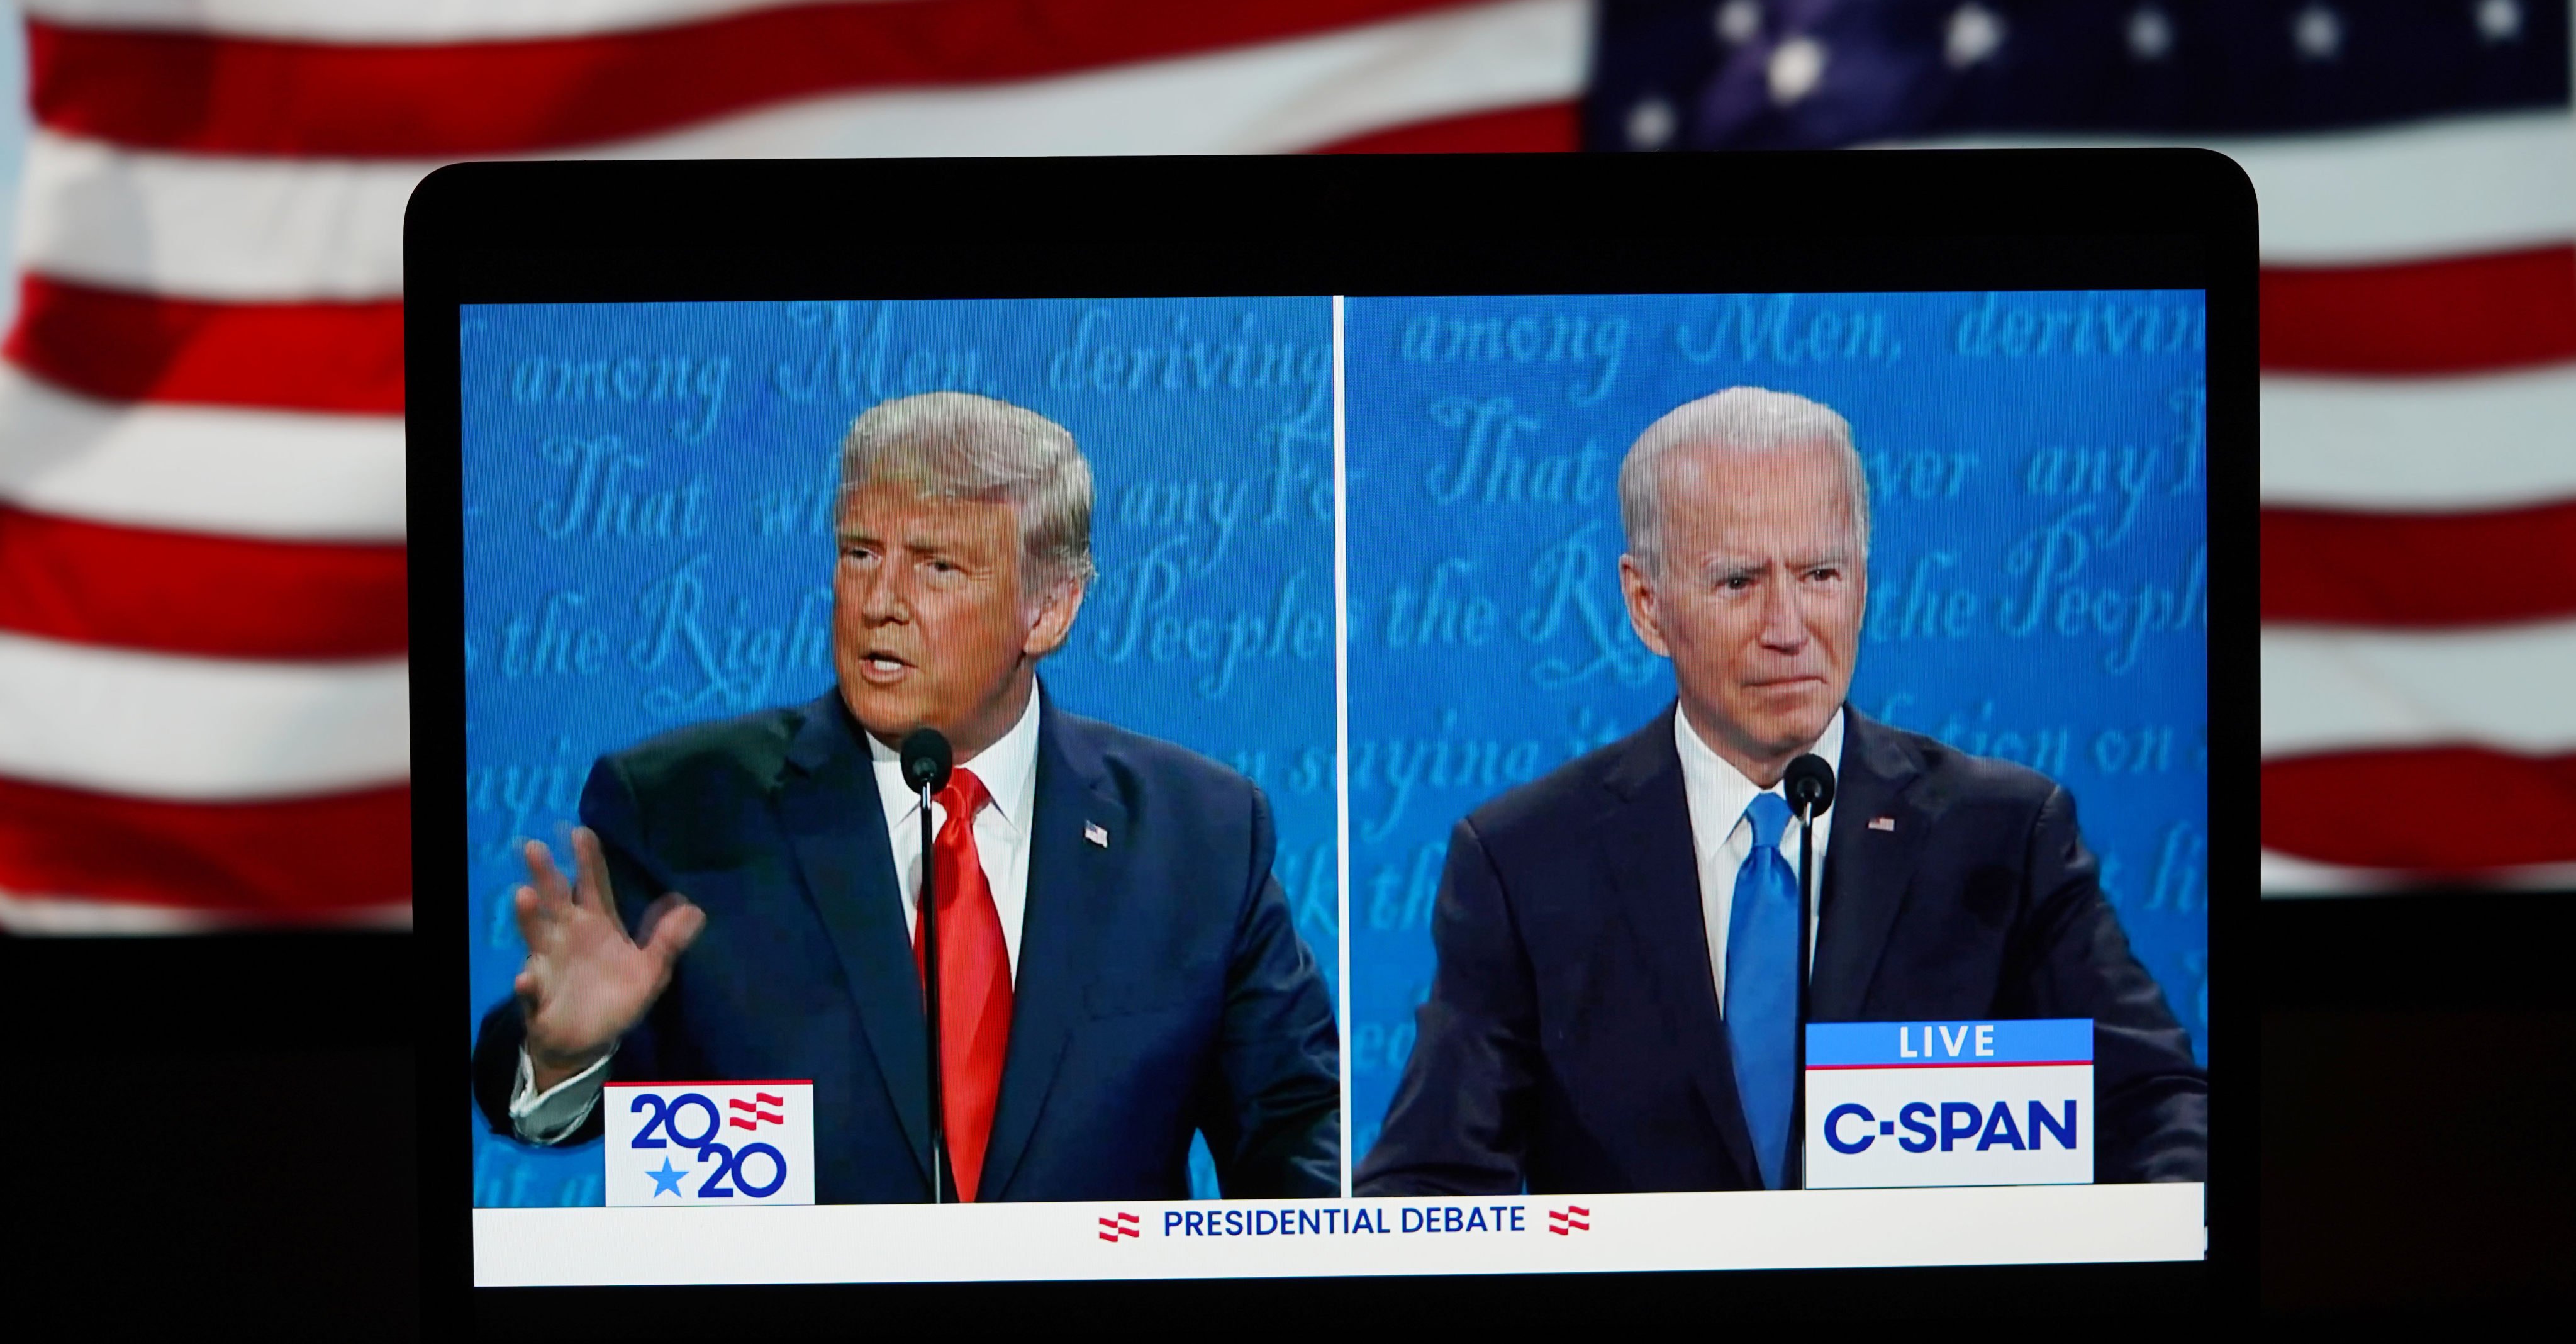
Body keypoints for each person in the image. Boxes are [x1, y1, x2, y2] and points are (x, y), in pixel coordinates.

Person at [471, 391, 1339, 1202]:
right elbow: (546, 1108)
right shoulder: (683, 809)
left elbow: (1295, 1130)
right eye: (860, 554)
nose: (880, 603)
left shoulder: (1199, 834)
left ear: (1049, 611)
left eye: (937, 565)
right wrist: (564, 1054)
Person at [1356, 386, 2206, 1194]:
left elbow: (2158, 1108)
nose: (1789, 629)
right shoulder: (1526, 860)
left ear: (1864, 583)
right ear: (1647, 606)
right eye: (1739, 582)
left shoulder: (2004, 837)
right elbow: (1434, 1178)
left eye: (1821, 575)